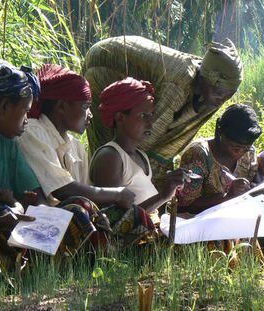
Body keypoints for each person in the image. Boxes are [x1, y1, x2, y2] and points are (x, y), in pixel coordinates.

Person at [18, 64, 153, 247]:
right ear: (62, 106)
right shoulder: (33, 130)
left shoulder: (75, 146)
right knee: (80, 207)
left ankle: (130, 258)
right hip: (42, 214)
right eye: (85, 106)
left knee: (133, 214)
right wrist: (117, 194)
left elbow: (90, 197)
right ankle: (92, 258)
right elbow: (62, 190)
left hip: (69, 216)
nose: (89, 114)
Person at [83, 35, 243, 188]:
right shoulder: (177, 84)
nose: (222, 101)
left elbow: (171, 135)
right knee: (114, 152)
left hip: (141, 79)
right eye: (220, 94)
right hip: (105, 67)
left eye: (229, 95)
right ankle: (106, 204)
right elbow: (147, 136)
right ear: (204, 80)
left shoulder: (209, 91)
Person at [177, 104, 264, 234]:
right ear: (220, 133)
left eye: (246, 148)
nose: (241, 153)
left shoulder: (249, 153)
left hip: (236, 209)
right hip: (204, 217)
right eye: (235, 147)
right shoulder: (198, 154)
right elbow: (184, 205)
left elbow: (251, 184)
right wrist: (227, 197)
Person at [89, 77, 189, 225]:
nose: (150, 123)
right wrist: (163, 196)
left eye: (151, 116)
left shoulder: (141, 156)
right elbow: (112, 221)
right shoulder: (110, 157)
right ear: (120, 117)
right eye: (144, 116)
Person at [0, 57, 42, 275]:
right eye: (25, 110)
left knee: (73, 210)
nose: (27, 119)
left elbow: (34, 196)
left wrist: (24, 205)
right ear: (5, 107)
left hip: (9, 230)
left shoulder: (9, 146)